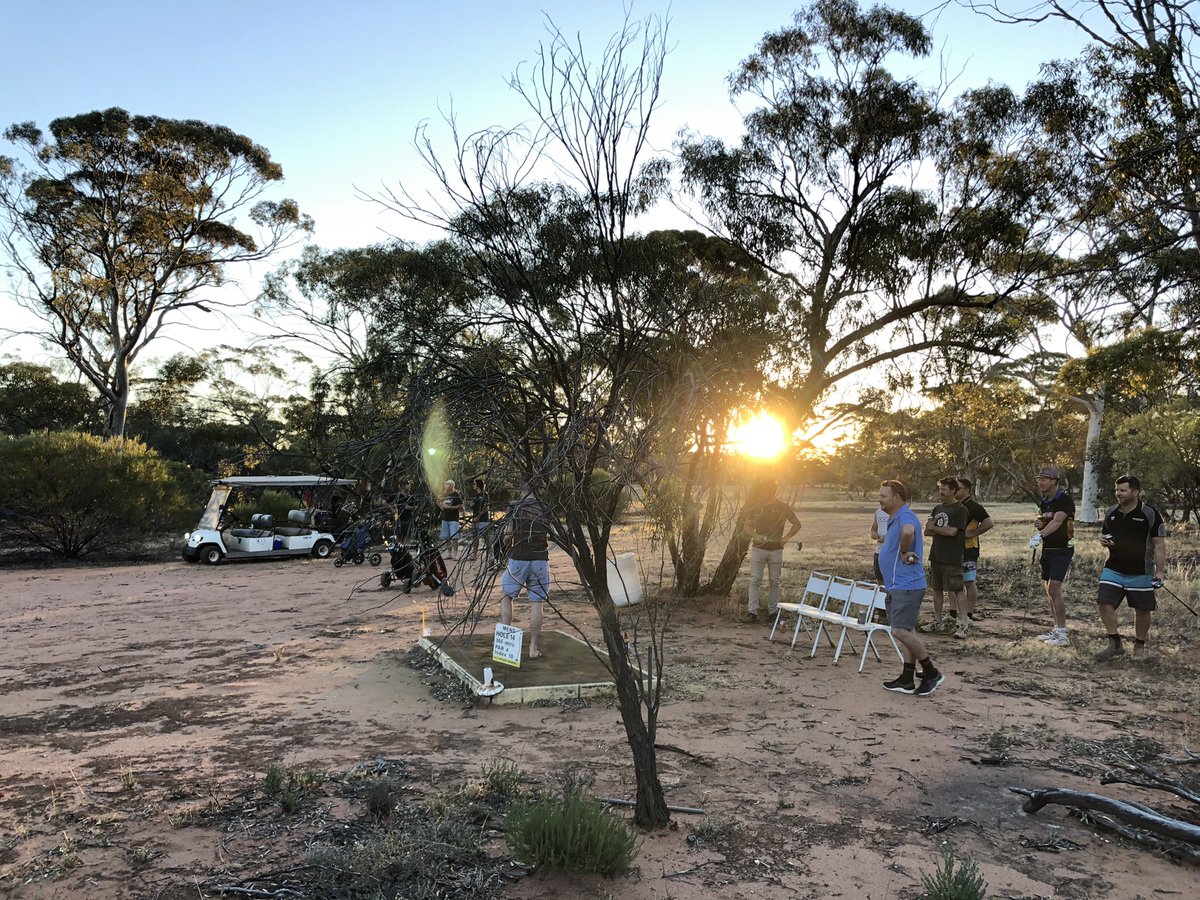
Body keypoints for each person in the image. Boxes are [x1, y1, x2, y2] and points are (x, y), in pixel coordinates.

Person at [877, 480, 945, 696]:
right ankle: (907, 678)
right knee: (907, 631)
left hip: (905, 585)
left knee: (898, 630)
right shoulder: (895, 517)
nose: (880, 499)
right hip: (898, 584)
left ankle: (931, 672)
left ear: (896, 497)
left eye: (883, 496)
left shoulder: (905, 516)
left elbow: (908, 532)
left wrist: (905, 551)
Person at [1095, 475, 1167, 660]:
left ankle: (1139, 646)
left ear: (1136, 492)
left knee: (1142, 610)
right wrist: (1103, 541)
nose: (1118, 493)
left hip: (1141, 571)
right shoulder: (1111, 512)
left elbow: (1159, 544)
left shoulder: (1150, 513)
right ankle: (1114, 643)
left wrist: (1159, 572)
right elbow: (1106, 536)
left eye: (1123, 490)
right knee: (1104, 602)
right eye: (1117, 490)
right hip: (1113, 568)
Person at [500, 487, 555, 659]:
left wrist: (506, 547)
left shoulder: (515, 507)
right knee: (537, 603)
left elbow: (508, 535)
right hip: (540, 558)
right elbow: (552, 533)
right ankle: (533, 648)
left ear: (522, 490)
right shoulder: (545, 507)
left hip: (519, 557)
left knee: (506, 596)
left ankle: (507, 648)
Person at [740, 479, 802, 623]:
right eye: (763, 490)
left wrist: (786, 538)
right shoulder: (756, 507)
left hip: (776, 550)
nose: (764, 493)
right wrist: (756, 536)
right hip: (758, 549)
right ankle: (752, 612)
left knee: (774, 581)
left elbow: (797, 524)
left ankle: (773, 612)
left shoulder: (783, 507)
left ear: (773, 491)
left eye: (767, 490)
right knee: (755, 580)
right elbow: (746, 528)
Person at [1031, 465, 1075, 647]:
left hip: (1062, 549)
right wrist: (1039, 525)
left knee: (1054, 590)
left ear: (1054, 481)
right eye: (1039, 479)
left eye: (1044, 479)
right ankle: (1056, 629)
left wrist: (1039, 536)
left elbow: (1057, 522)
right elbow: (1046, 521)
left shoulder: (1064, 500)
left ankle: (1063, 633)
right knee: (1049, 591)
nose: (1040, 482)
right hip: (1047, 549)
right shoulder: (1044, 501)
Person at [923, 477, 968, 633]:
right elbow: (927, 531)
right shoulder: (937, 509)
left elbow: (953, 531)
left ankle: (963, 624)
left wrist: (935, 528)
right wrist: (938, 529)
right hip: (936, 555)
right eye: (940, 489)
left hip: (952, 557)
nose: (940, 492)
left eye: (943, 489)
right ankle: (937, 620)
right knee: (937, 589)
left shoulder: (960, 510)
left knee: (957, 589)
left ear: (953, 491)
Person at [954, 477, 995, 638]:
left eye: (958, 488)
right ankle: (955, 614)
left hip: (969, 549)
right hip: (954, 550)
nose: (955, 490)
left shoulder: (974, 506)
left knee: (968, 582)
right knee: (955, 583)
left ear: (967, 489)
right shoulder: (955, 506)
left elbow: (989, 522)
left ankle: (968, 615)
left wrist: (972, 533)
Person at [439, 479, 464, 554]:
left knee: (454, 537)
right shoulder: (445, 494)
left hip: (453, 519)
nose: (446, 486)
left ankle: (455, 554)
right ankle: (449, 553)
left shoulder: (456, 494)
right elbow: (440, 502)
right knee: (447, 537)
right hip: (445, 518)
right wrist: (442, 507)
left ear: (451, 486)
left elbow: (460, 505)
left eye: (447, 484)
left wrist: (449, 507)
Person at [870, 504, 889, 584]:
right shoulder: (878, 512)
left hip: (892, 553)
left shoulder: (898, 513)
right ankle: (882, 596)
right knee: (880, 580)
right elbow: (873, 529)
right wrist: (874, 534)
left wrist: (887, 538)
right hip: (879, 552)